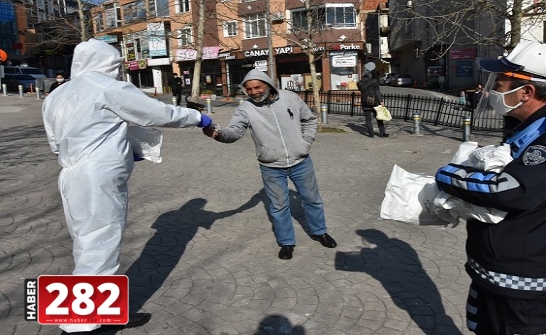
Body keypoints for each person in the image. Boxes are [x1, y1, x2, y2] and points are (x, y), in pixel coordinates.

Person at [42, 39, 213, 335]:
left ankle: (103, 312)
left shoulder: (57, 96)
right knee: (99, 244)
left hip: (70, 174)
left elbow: (58, 144)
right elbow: (157, 113)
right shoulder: (107, 87)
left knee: (86, 243)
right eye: (115, 63)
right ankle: (81, 326)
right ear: (107, 63)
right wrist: (197, 117)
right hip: (98, 177)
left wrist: (118, 148)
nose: (118, 68)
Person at [434, 41, 546, 335]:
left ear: (527, 91)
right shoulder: (531, 123)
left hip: (521, 281)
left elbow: (508, 189)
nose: (491, 91)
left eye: (499, 84)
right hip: (496, 270)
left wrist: (448, 175)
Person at [202, 69, 337, 260]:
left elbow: (310, 120)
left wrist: (304, 144)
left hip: (301, 161)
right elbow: (235, 132)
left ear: (268, 84)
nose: (254, 92)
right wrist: (219, 134)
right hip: (271, 166)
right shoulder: (245, 108)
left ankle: (319, 231)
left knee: (312, 199)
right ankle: (287, 242)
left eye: (257, 87)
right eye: (249, 89)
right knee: (279, 206)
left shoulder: (290, 98)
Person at [357, 64, 388, 138]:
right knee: (379, 118)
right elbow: (377, 92)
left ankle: (371, 134)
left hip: (365, 102)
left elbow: (362, 91)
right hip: (375, 102)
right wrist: (381, 101)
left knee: (368, 119)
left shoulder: (359, 83)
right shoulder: (374, 81)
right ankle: (382, 133)